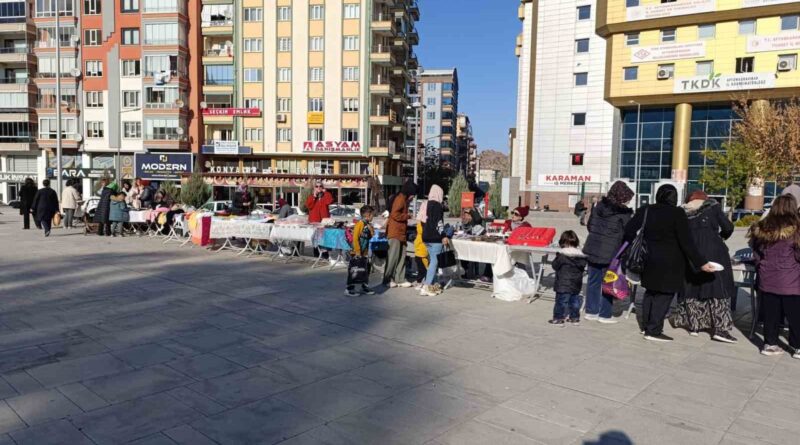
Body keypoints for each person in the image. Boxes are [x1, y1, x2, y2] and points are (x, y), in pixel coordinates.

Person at [624, 185, 716, 342]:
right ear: (674, 197)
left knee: (651, 292)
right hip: (670, 262)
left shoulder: (647, 210)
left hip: (648, 258)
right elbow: (686, 241)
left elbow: (629, 229)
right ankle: (653, 330)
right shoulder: (677, 213)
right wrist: (701, 262)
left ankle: (646, 327)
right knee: (664, 294)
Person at [673, 190, 737, 343]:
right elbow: (727, 227)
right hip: (714, 252)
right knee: (717, 288)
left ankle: (694, 325)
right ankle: (720, 329)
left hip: (691, 254)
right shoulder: (713, 207)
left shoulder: (683, 211)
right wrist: (720, 238)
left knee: (692, 286)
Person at [748, 195, 800, 358]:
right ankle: (797, 346)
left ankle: (769, 344)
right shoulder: (796, 228)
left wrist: (762, 265)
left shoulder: (762, 227)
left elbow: (756, 252)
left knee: (771, 314)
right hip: (791, 280)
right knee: (795, 316)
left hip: (767, 277)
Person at [582, 181, 635, 324]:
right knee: (609, 282)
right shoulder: (623, 214)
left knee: (593, 281)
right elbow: (628, 234)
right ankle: (605, 314)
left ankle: (591, 311)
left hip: (592, 247)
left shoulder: (599, 206)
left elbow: (590, 225)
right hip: (611, 252)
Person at [550, 230, 587, 326]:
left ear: (563, 242)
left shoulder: (562, 255)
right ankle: (574, 318)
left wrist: (557, 257)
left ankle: (558, 318)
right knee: (574, 301)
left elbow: (554, 266)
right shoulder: (581, 256)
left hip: (563, 283)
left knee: (561, 302)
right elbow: (582, 267)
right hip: (576, 283)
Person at [384, 180, 416, 288]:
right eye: (413, 195)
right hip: (395, 232)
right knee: (393, 257)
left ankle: (400, 279)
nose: (413, 198)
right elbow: (395, 214)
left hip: (401, 232)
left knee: (402, 256)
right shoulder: (400, 199)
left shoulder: (404, 199)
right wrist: (407, 216)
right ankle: (387, 279)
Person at [419, 184, 449, 297]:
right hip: (435, 237)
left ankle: (431, 284)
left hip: (426, 236)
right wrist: (443, 235)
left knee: (432, 261)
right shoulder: (437, 205)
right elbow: (439, 222)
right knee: (434, 262)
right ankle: (427, 286)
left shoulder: (426, 204)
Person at [345, 206, 377, 297]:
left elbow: (370, 236)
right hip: (357, 252)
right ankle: (349, 288)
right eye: (372, 215)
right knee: (354, 270)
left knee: (365, 270)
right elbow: (355, 238)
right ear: (367, 215)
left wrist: (371, 230)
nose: (373, 217)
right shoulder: (359, 224)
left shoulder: (367, 224)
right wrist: (358, 252)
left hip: (365, 252)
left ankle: (364, 286)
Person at [413, 216, 429, 290]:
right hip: (420, 250)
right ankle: (420, 281)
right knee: (422, 268)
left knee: (423, 268)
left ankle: (421, 282)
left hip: (421, 251)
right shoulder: (421, 225)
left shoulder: (422, 225)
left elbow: (420, 230)